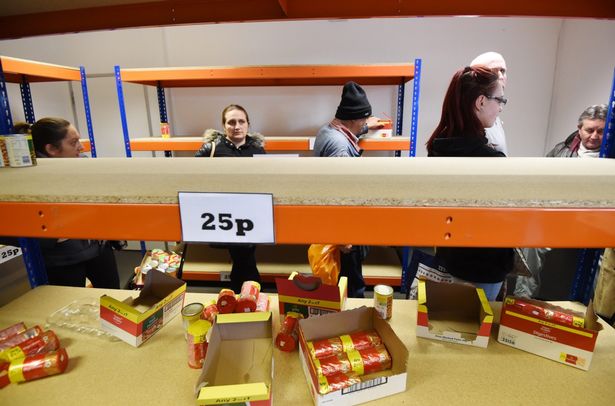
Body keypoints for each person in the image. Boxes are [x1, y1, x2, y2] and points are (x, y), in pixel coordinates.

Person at [426, 66, 514, 300]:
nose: (501, 107)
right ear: (481, 102)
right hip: (484, 267)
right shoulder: (490, 160)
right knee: (476, 329)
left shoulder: (438, 147)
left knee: (446, 326)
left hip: (448, 258)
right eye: (500, 99)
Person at [12, 118, 120, 288]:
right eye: (74, 142)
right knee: (69, 306)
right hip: (64, 259)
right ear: (51, 149)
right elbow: (24, 228)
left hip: (98, 247)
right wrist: (59, 232)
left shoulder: (83, 167)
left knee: (114, 298)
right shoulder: (28, 179)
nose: (81, 147)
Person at [514, 104, 607, 298]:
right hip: (561, 216)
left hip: (598, 222)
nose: (594, 136)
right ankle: (522, 299)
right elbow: (539, 180)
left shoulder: (610, 155)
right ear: (579, 129)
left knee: (605, 260)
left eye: (601, 131)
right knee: (533, 241)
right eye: (589, 130)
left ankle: (597, 313)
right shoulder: (562, 150)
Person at [313, 81, 383, 298]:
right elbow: (338, 193)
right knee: (351, 285)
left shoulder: (328, 129)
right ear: (352, 119)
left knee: (338, 282)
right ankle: (352, 322)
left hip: (329, 224)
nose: (364, 123)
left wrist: (367, 125)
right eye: (362, 119)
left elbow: (356, 128)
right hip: (342, 230)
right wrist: (343, 235)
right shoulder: (339, 147)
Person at [195, 104, 265, 292]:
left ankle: (236, 296)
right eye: (231, 122)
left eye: (241, 121)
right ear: (224, 125)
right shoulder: (211, 149)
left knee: (243, 257)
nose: (237, 126)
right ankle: (253, 293)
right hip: (224, 215)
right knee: (244, 256)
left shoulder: (258, 150)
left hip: (252, 213)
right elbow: (193, 177)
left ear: (248, 124)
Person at [470, 52, 509, 155]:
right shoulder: (471, 123)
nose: (500, 76)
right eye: (494, 71)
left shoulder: (494, 118)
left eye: (503, 71)